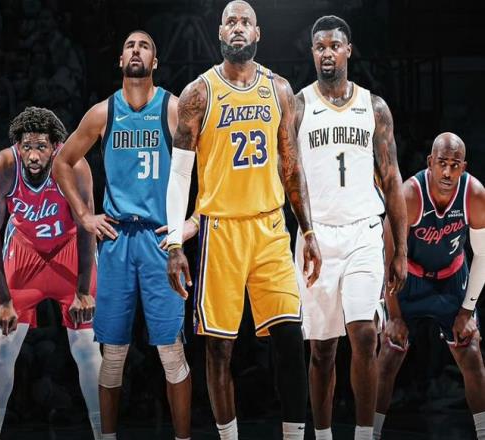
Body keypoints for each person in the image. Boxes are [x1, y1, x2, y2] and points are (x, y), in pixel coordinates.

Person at [166, 2, 322, 439]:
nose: (238, 28)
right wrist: (174, 243)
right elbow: (179, 175)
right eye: (230, 22)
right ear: (220, 33)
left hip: (270, 228)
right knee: (220, 349)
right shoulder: (199, 92)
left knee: (290, 339)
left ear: (258, 33)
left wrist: (308, 230)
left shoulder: (279, 88)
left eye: (245, 22)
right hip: (221, 230)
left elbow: (291, 166)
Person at [52, 30, 193, 440]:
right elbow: (62, 163)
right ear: (120, 60)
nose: (136, 50)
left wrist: (194, 221)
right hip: (116, 240)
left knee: (171, 353)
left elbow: (214, 167)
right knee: (112, 355)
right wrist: (84, 215)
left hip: (159, 239)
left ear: (155, 62)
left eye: (144, 46)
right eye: (130, 45)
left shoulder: (173, 108)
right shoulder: (103, 113)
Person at [294, 15, 407, 440]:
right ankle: (323, 435)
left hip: (363, 232)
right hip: (317, 236)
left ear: (348, 50)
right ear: (313, 53)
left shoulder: (374, 107)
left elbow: (392, 179)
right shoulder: (299, 105)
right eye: (319, 46)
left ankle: (363, 435)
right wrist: (304, 231)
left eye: (334, 46)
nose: (327, 53)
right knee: (322, 350)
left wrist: (401, 249)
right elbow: (289, 176)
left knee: (364, 334)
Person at [0, 106, 102, 439]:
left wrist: (83, 291)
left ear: (56, 146)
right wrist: (3, 299)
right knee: (3, 348)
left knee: (86, 347)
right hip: (25, 254)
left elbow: (87, 229)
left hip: (70, 251)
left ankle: (104, 435)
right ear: (17, 146)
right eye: (27, 147)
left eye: (41, 147)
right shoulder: (3, 167)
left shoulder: (74, 165)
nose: (33, 155)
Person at [374, 132, 485, 440]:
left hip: (451, 279)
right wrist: (394, 316)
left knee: (471, 351)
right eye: (442, 163)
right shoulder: (409, 195)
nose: (447, 172)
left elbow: (483, 255)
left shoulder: (475, 194)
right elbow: (387, 256)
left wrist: (467, 311)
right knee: (389, 352)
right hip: (407, 279)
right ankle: (370, 434)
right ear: (430, 163)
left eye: (454, 165)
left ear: (463, 167)